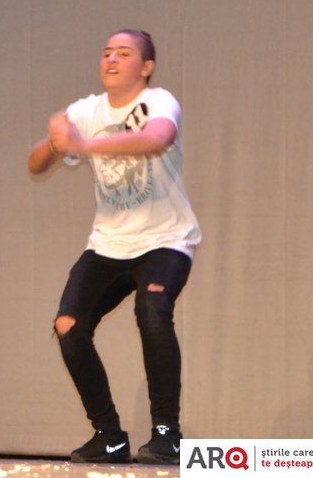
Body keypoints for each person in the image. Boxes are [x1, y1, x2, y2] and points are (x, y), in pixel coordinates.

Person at [28, 30, 200, 465]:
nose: (112, 59)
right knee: (68, 325)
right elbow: (36, 163)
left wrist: (86, 144)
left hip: (164, 240)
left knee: (152, 311)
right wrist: (56, 139)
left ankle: (167, 435)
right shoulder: (87, 110)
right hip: (108, 245)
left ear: (146, 67)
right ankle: (109, 436)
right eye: (106, 52)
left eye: (124, 53)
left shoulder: (159, 101)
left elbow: (157, 138)